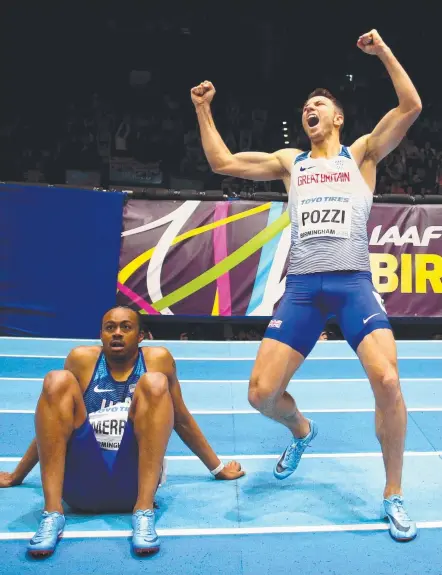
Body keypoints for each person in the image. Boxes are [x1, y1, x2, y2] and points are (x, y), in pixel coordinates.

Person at [191, 30, 421, 542]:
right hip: (301, 289)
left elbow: (411, 104)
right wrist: (204, 110)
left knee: (387, 382)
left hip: (353, 284)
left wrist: (382, 51)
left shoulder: (360, 156)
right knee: (260, 393)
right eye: (305, 106)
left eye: (319, 104)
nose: (309, 109)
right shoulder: (289, 163)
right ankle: (301, 430)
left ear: (337, 118)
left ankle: (393, 494)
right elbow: (222, 163)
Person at [0, 306, 244, 557]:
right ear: (101, 334)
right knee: (56, 380)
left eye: (125, 327)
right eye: (110, 328)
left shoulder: (157, 360)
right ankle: (52, 513)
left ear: (141, 336)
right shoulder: (81, 360)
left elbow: (180, 417)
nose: (117, 333)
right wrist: (16, 476)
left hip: (135, 486)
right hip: (81, 487)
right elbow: (53, 428)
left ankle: (144, 512)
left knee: (155, 381)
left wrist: (218, 468)